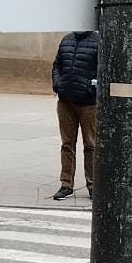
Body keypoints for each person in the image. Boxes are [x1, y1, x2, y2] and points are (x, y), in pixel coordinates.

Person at [50, 29, 99, 200]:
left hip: (88, 104)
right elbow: (57, 65)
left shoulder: (98, 40)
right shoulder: (66, 40)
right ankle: (66, 185)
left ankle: (93, 185)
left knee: (91, 145)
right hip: (65, 101)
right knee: (67, 144)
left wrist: (91, 88)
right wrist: (57, 84)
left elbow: (104, 69)